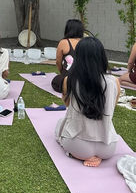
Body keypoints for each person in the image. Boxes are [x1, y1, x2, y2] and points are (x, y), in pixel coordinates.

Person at [55, 37, 120, 168]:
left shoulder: (70, 80)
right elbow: (112, 107)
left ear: (78, 58)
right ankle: (96, 157)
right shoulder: (114, 81)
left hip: (78, 146)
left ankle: (73, 154)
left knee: (59, 124)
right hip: (108, 147)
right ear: (102, 57)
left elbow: (68, 105)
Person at [51, 19, 84, 93]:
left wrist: (62, 73)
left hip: (68, 79)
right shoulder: (85, 42)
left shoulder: (64, 42)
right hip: (84, 79)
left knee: (55, 81)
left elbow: (58, 62)